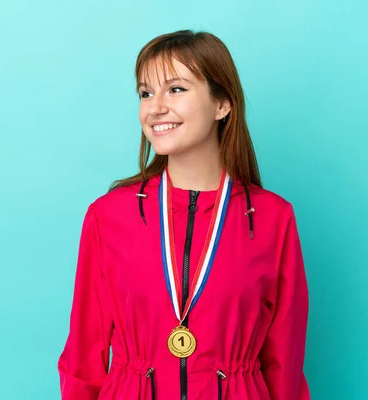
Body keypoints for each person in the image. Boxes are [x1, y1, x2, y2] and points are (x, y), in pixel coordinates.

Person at [57, 29, 310, 400]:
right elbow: (82, 361)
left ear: (222, 104)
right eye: (146, 93)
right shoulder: (107, 216)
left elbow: (284, 364)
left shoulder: (272, 218)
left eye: (175, 89)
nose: (155, 107)